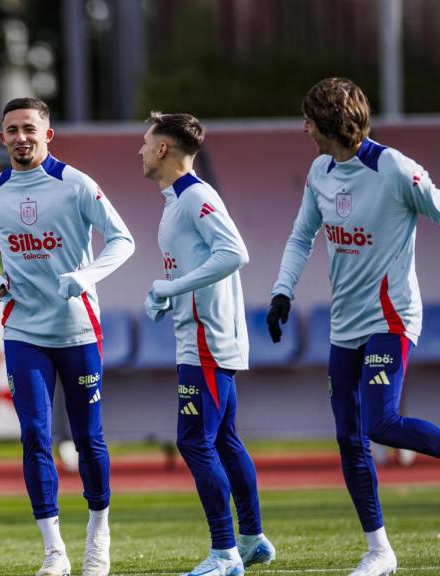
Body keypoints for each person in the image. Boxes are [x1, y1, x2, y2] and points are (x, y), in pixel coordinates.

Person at [267, 77, 440, 576]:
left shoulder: (395, 169)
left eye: (310, 121)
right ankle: (379, 551)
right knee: (348, 437)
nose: (303, 128)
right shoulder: (320, 170)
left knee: (380, 423)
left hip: (391, 318)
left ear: (330, 125)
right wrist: (282, 290)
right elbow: (301, 237)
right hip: (345, 326)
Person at [0, 97, 134, 576]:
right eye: (12, 129)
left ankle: (98, 536)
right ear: (2, 138)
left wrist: (87, 277)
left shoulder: (76, 184)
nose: (21, 136)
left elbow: (123, 239)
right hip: (23, 331)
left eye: (29, 128)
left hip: (77, 329)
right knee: (35, 436)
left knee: (88, 438)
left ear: (48, 135)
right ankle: (53, 552)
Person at [140, 112, 275, 576]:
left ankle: (224, 553)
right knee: (225, 439)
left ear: (163, 149)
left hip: (207, 339)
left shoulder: (195, 195)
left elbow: (234, 253)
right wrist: (167, 295)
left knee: (194, 441)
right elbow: (195, 266)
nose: (139, 149)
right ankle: (253, 539)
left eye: (145, 141)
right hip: (200, 333)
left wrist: (170, 289)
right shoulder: (176, 200)